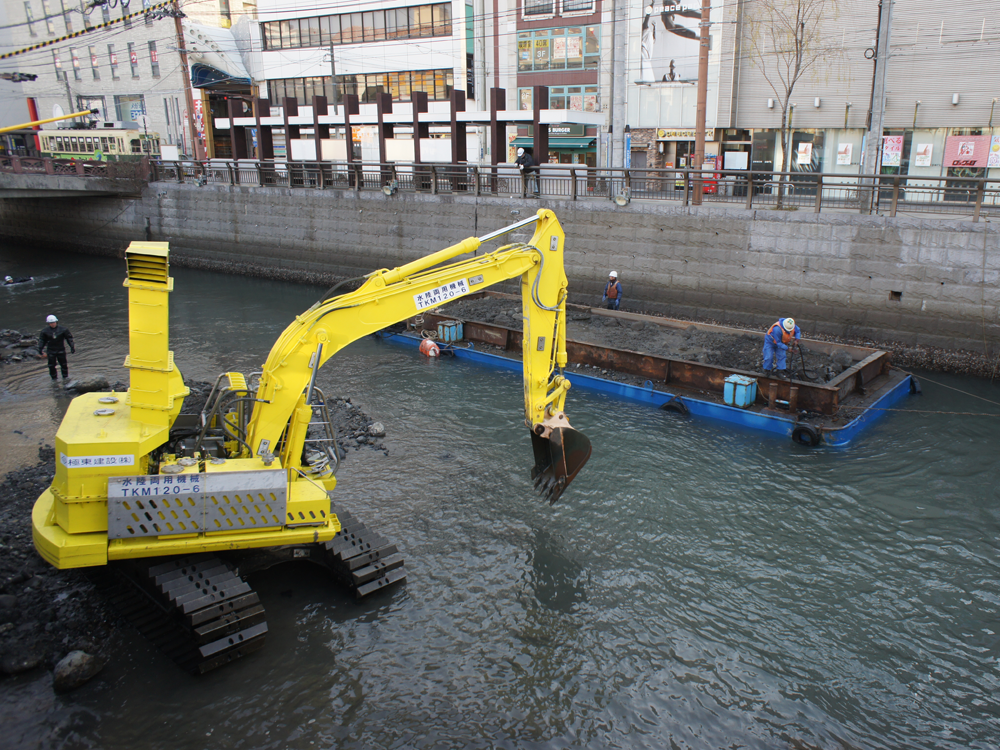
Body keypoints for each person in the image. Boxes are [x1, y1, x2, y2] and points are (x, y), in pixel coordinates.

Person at [37, 314, 75, 380]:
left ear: (56, 322)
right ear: (48, 323)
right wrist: (40, 349)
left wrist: (72, 347)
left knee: (64, 365)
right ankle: (54, 379)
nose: (53, 324)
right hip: (51, 350)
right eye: (51, 323)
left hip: (61, 349)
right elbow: (42, 340)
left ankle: (65, 378)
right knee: (51, 366)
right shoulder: (45, 331)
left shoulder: (63, 329)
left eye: (54, 322)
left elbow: (69, 338)